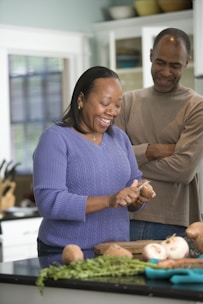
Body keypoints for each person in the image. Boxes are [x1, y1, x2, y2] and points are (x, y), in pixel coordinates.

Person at [33, 66, 156, 258]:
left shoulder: (119, 138)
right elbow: (49, 202)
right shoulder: (55, 139)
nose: (113, 111)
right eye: (105, 103)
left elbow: (132, 183)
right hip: (66, 252)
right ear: (81, 100)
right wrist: (108, 200)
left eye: (117, 104)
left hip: (116, 252)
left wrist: (137, 198)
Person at [114, 28, 203, 241]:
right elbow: (113, 160)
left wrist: (131, 157)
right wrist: (152, 150)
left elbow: (183, 170)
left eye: (175, 65)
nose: (165, 72)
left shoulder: (196, 106)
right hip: (125, 218)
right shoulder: (126, 102)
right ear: (150, 55)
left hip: (174, 224)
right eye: (160, 62)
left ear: (187, 62)